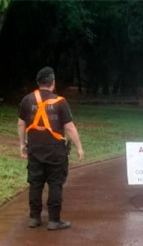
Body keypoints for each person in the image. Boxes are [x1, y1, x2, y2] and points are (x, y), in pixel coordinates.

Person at [17, 67, 84, 230]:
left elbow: (21, 123)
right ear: (53, 83)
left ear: (38, 83)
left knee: (35, 183)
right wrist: (79, 147)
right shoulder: (60, 102)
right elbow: (69, 127)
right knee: (55, 183)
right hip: (56, 150)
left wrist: (22, 144)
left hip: (34, 148)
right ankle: (54, 220)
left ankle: (34, 218)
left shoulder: (27, 100)